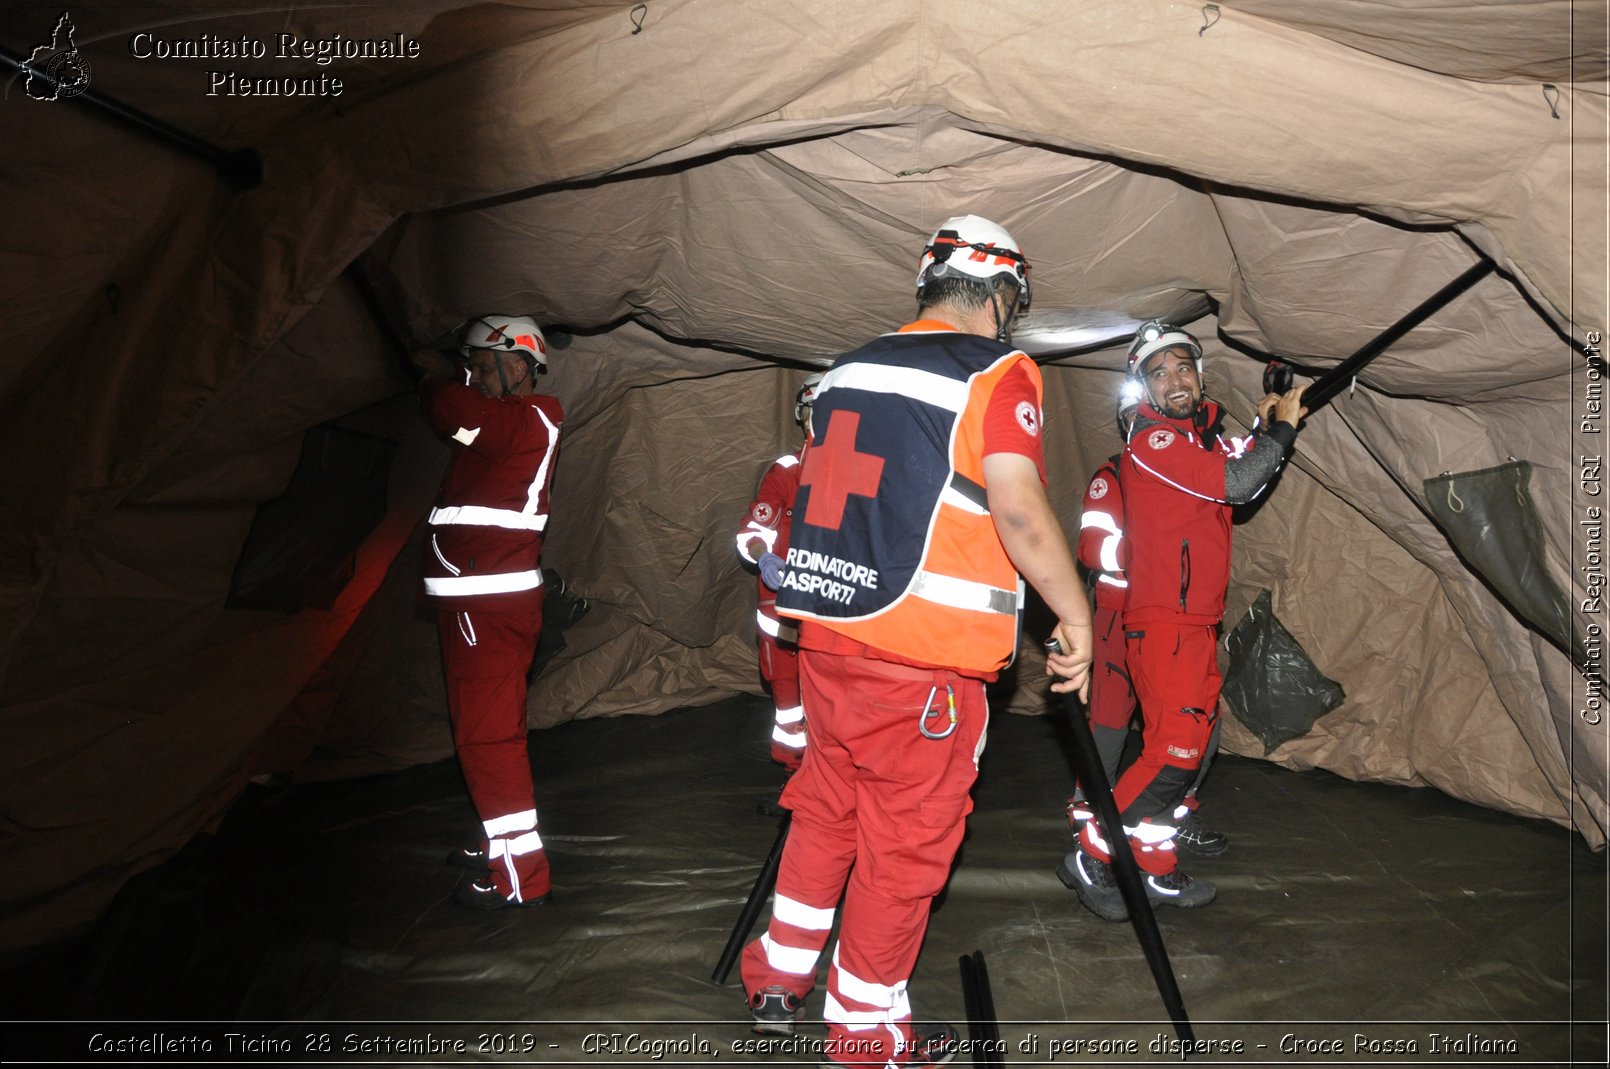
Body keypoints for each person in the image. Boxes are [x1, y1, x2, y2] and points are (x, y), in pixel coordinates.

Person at [739, 215, 1094, 1068]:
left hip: (827, 644)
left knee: (826, 808)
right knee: (901, 852)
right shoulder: (1000, 371)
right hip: (922, 667)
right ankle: (866, 1035)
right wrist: (1074, 615)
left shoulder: (847, 367)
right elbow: (1014, 504)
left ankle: (779, 975)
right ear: (1003, 292)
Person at [1059, 320, 1306, 922]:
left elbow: (1246, 462)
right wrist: (1282, 430)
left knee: (1191, 751)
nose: (1174, 380)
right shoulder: (1155, 441)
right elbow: (1240, 484)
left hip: (1196, 624)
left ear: (1199, 374)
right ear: (1142, 390)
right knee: (1169, 751)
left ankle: (1154, 865)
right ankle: (1093, 852)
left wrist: (1268, 416)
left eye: (1182, 367)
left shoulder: (1202, 441)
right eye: (1158, 372)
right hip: (1160, 620)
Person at [420, 314, 564, 911]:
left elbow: (451, 414)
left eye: (482, 365)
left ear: (517, 365)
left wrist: (434, 377)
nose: (473, 377)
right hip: (472, 604)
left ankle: (518, 877)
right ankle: (497, 842)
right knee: (478, 732)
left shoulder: (523, 420)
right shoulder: (496, 424)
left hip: (488, 603)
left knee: (488, 740)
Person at [1063, 392, 1227, 857]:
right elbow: (1092, 548)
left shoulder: (1186, 468)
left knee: (1200, 725)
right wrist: (1150, 551)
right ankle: (1087, 816)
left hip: (1176, 615)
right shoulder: (1114, 475)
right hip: (1122, 615)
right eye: (1132, 417)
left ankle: (1169, 817)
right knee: (1110, 721)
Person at [735, 374, 822, 771]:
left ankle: (829, 778)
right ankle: (792, 771)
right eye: (817, 413)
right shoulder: (786, 472)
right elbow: (752, 531)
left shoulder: (859, 476)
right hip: (780, 613)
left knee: (834, 697)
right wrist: (763, 556)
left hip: (830, 608)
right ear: (803, 417)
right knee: (789, 702)